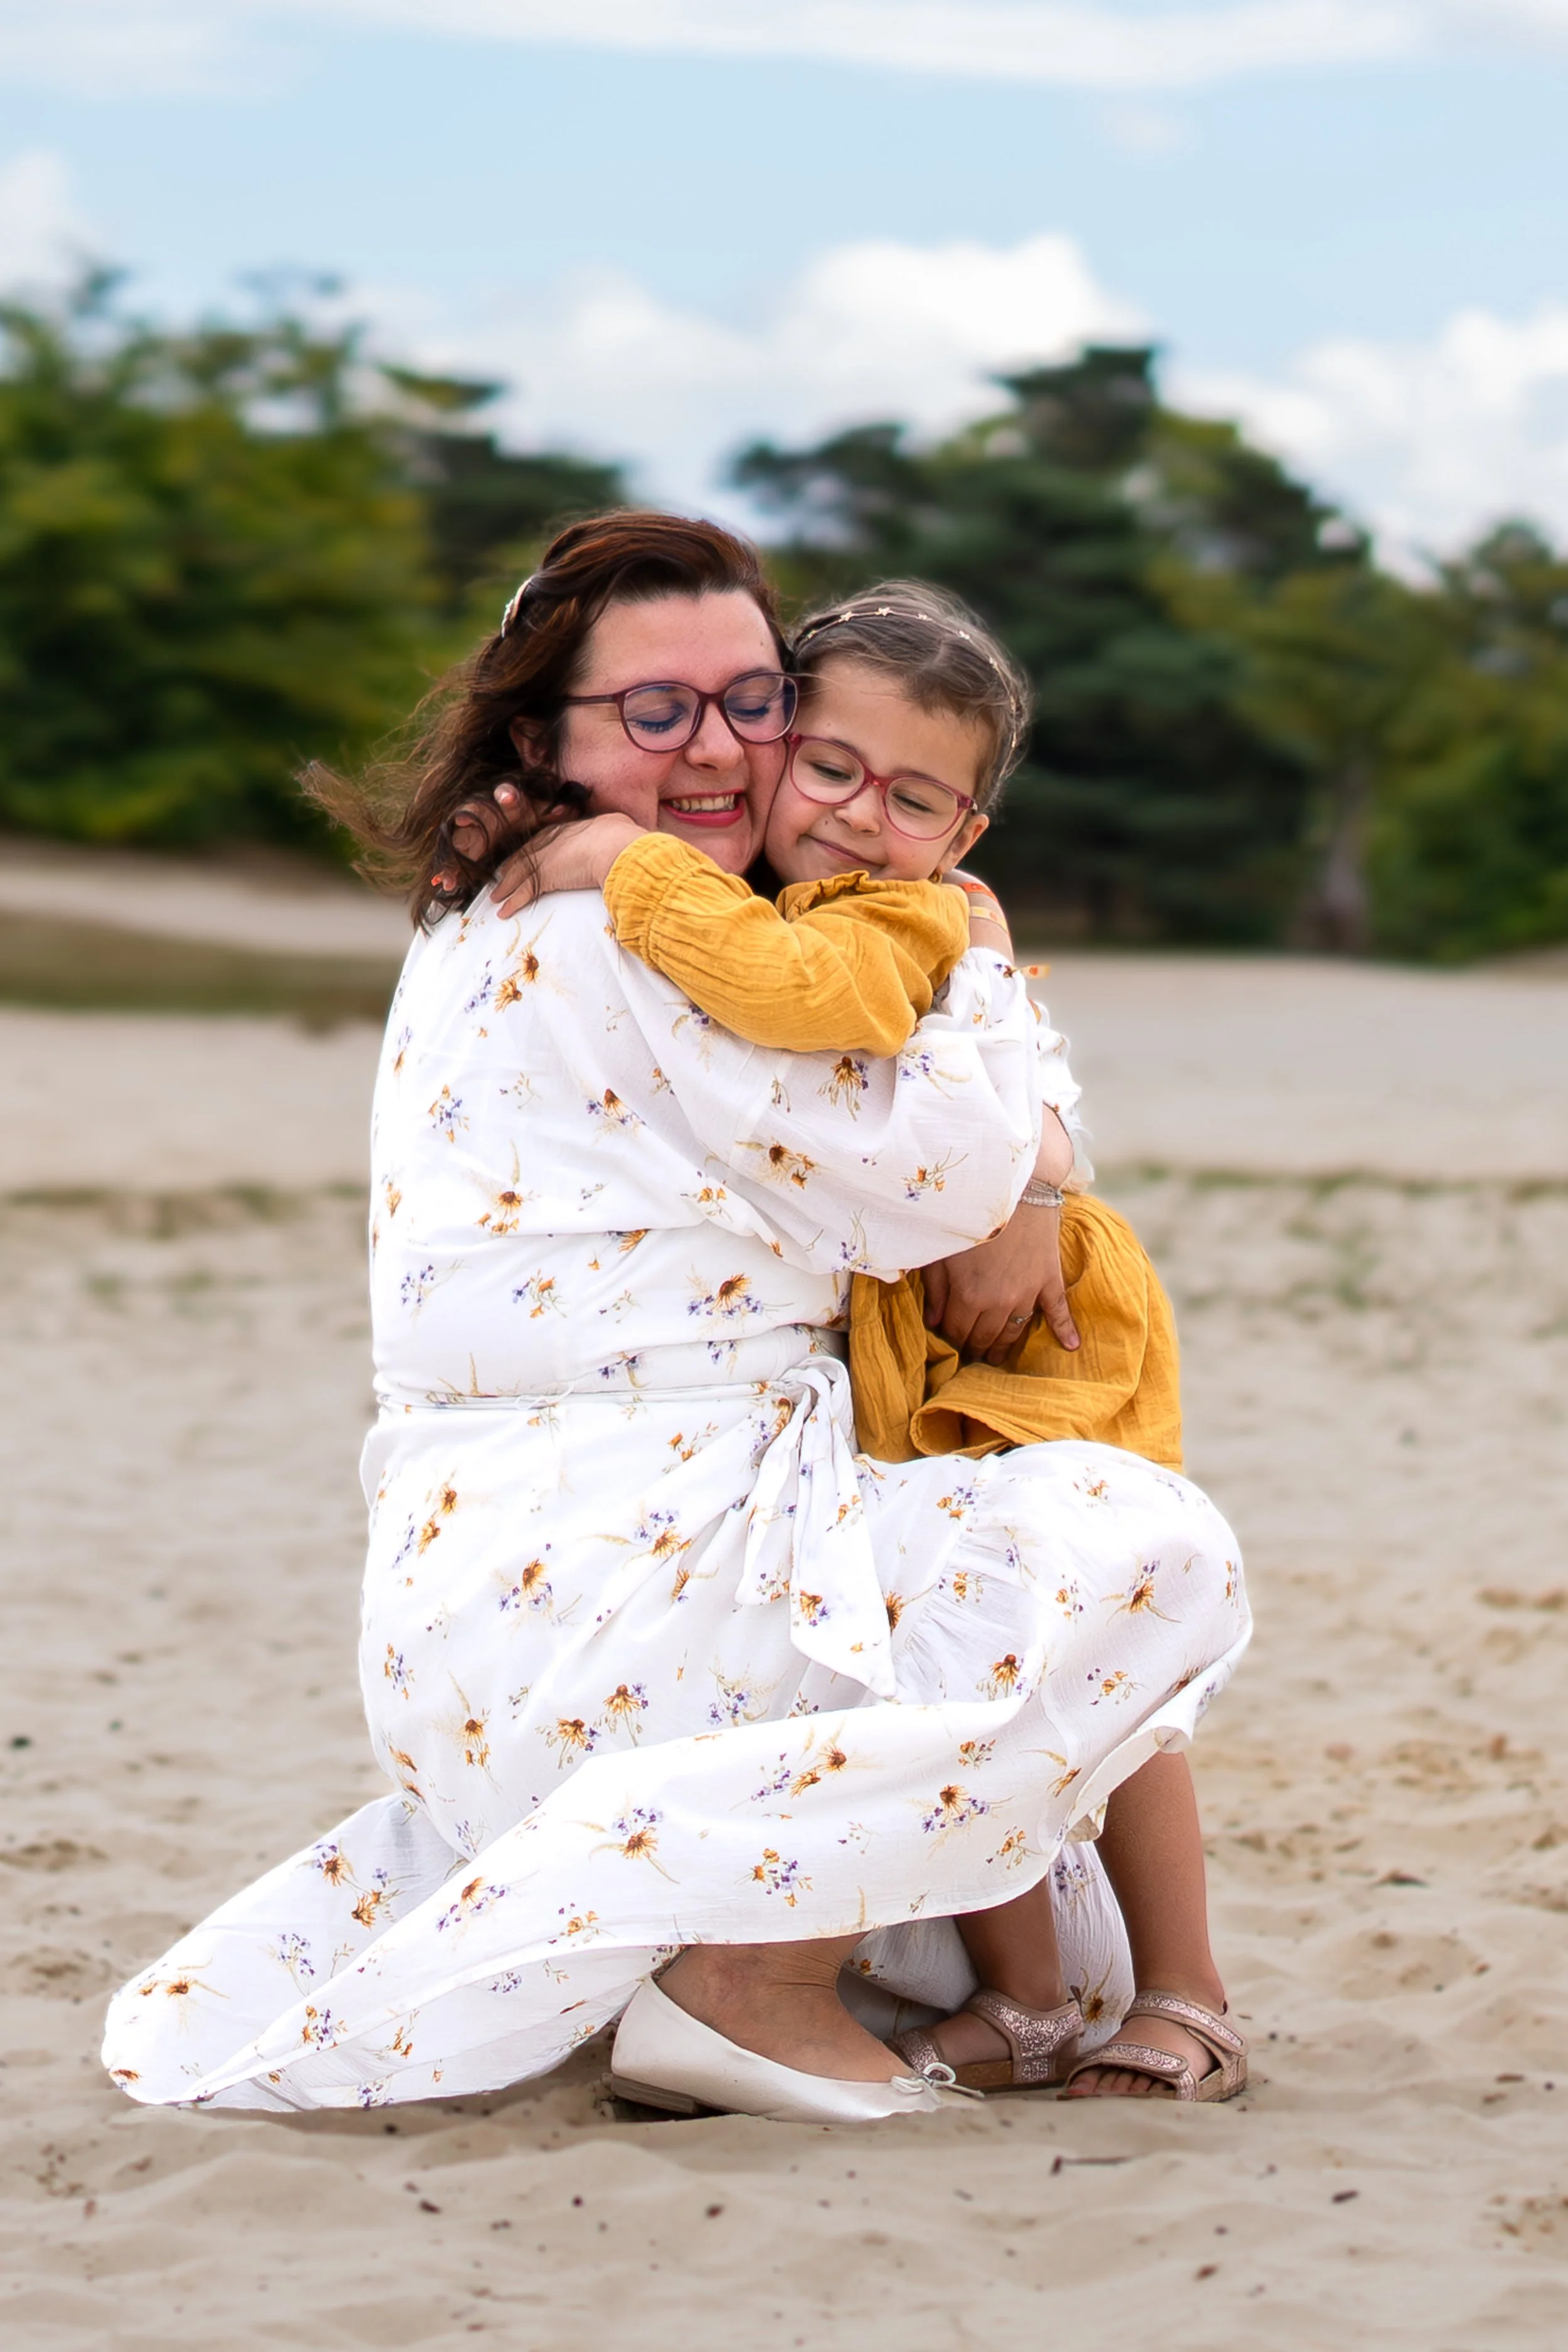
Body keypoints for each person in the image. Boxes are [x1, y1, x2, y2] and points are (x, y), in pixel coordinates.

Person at [101, 512, 1250, 2124]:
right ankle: (751, 1986)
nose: (719, 747)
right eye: (655, 711)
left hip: (507, 1621)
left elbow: (970, 1120)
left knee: (1049, 1905)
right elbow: (935, 1164)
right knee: (1145, 1558)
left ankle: (866, 1969)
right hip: (626, 1598)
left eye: (751, 699)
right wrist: (984, 980)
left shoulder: (542, 906)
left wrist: (1016, 1095)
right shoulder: (612, 925)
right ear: (540, 737)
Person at [489, 580, 1238, 2100]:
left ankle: (1188, 1992)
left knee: (1081, 1616)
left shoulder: (890, 912)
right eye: (823, 766)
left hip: (1026, 1326)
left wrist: (609, 855)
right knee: (942, 1644)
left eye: (909, 798)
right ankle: (1027, 1998)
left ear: (963, 835)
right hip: (880, 1333)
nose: (845, 812)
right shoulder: (768, 896)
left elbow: (856, 1011)